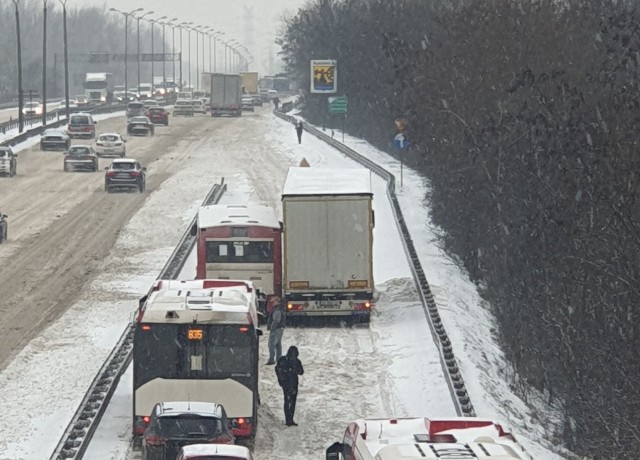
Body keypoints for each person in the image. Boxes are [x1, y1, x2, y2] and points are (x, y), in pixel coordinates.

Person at [275, 346, 304, 426]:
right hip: (287, 383)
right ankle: (288, 419)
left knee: (291, 401)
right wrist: (282, 378)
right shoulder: (284, 360)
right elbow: (278, 369)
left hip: (292, 383)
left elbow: (301, 372)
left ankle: (290, 419)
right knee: (288, 401)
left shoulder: (295, 361)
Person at [266, 297, 285, 365]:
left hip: (276, 329)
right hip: (280, 328)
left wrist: (272, 327)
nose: (272, 303)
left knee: (271, 344)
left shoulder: (276, 310)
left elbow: (276, 320)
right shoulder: (280, 309)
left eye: (273, 302)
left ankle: (271, 359)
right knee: (278, 344)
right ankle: (278, 359)